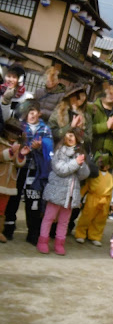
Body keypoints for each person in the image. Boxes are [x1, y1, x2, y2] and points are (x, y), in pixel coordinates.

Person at [3, 100, 54, 244]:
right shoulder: (20, 126)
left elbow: (49, 146)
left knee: (34, 201)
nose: (31, 115)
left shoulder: (45, 129)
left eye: (33, 113)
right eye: (29, 113)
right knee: (14, 198)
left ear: (39, 113)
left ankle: (33, 233)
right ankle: (8, 229)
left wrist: (39, 146)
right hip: (19, 168)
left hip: (35, 171)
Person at [36, 130, 90, 255]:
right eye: (66, 136)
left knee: (64, 221)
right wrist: (76, 163)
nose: (69, 138)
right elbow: (61, 169)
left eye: (71, 135)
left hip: (70, 195)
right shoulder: (59, 152)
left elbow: (83, 175)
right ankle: (43, 241)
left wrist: (81, 165)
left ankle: (59, 243)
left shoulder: (79, 153)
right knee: (49, 218)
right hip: (56, 192)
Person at [75, 151, 113, 247]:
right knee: (86, 217)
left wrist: (111, 203)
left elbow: (111, 190)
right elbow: (86, 187)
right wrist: (79, 197)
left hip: (105, 201)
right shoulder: (95, 174)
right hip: (93, 198)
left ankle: (95, 236)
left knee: (100, 220)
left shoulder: (110, 177)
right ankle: (80, 234)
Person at [0, 118, 28, 242]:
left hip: (9, 184)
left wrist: (21, 155)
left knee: (2, 210)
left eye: (17, 133)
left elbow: (18, 164)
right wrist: (10, 152)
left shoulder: (18, 145)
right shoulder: (1, 142)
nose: (13, 135)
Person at [48, 82, 92, 150]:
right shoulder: (59, 112)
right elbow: (51, 131)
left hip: (77, 152)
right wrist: (70, 126)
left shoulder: (86, 116)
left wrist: (79, 131)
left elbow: (89, 139)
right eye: (76, 95)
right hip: (59, 150)